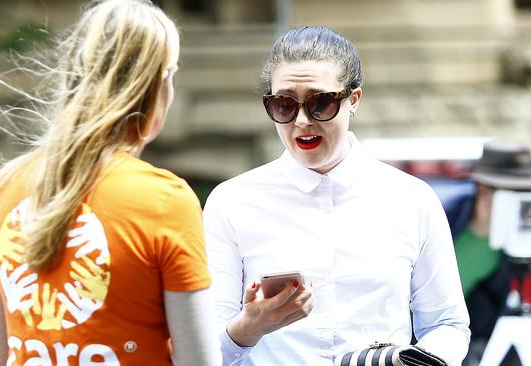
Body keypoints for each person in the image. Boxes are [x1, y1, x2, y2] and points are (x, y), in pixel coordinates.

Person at [203, 26, 470, 366]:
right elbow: (204, 347)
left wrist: (414, 361)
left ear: (353, 100)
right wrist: (246, 330)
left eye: (321, 103)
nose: (301, 121)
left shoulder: (412, 199)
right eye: (284, 105)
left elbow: (447, 325)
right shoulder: (232, 202)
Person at [0, 1, 220, 365]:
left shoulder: (7, 185)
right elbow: (200, 361)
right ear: (156, 87)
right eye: (170, 74)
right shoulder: (165, 200)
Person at [446, 140, 531, 365]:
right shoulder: (439, 218)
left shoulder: (517, 240)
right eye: (518, 196)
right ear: (484, 192)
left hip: (470, 341)